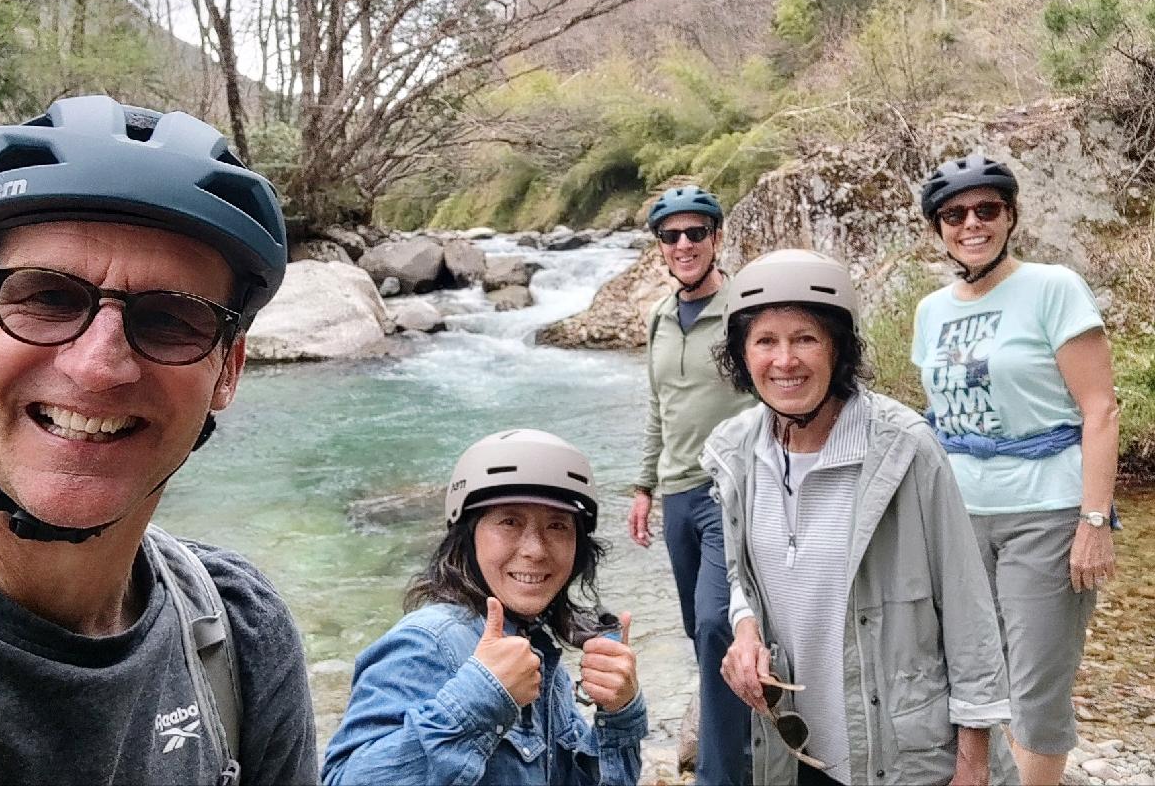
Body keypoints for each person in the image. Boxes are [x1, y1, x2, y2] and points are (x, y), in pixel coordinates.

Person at [0, 96, 317, 784]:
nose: (98, 366)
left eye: (172, 319)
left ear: (227, 371)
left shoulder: (242, 635)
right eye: (47, 298)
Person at [705, 249, 1018, 786]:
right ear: (742, 354)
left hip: (907, 757)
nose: (784, 361)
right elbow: (745, 576)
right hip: (800, 754)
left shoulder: (903, 450)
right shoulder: (736, 453)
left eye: (805, 338)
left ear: (837, 347)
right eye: (764, 341)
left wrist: (974, 763)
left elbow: (968, 609)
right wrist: (745, 629)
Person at [912, 154, 1119, 786]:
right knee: (976, 675)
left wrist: (1094, 521)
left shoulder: (1053, 287)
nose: (971, 223)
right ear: (938, 228)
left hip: (1046, 511)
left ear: (1010, 215)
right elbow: (935, 424)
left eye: (987, 209)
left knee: (1036, 684)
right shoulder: (930, 311)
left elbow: (1100, 408)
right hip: (960, 516)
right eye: (954, 214)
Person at [323, 429, 647, 786]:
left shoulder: (537, 651)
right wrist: (483, 696)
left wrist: (619, 714)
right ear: (468, 533)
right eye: (510, 522)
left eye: (557, 525)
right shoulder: (426, 642)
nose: (536, 550)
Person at [627, 184, 753, 786]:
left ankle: (720, 773)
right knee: (698, 632)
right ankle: (752, 729)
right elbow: (660, 405)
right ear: (660, 247)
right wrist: (643, 487)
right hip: (676, 494)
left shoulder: (744, 309)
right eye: (671, 235)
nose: (683, 244)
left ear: (716, 238)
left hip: (730, 490)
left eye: (695, 233)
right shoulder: (658, 316)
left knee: (714, 624)